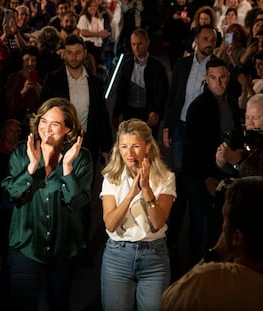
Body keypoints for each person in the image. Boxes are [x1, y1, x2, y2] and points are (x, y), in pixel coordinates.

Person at [1, 97, 94, 311]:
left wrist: (67, 167)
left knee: (59, 304)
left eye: (55, 124)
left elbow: (78, 201)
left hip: (64, 248)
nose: (47, 129)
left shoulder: (81, 158)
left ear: (68, 129)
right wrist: (32, 168)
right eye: (43, 121)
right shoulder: (21, 152)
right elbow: (11, 194)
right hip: (26, 246)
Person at [100, 118, 176, 311]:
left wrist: (146, 189)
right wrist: (131, 194)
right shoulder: (111, 177)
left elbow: (158, 221)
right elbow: (110, 224)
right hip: (118, 255)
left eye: (135, 146)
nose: (129, 153)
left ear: (148, 147)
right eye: (124, 146)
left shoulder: (166, 178)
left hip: (154, 257)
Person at [162, 24, 217, 281]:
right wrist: (167, 127)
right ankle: (172, 240)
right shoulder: (183, 65)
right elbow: (174, 97)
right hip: (181, 130)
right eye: (205, 39)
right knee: (179, 183)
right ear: (196, 40)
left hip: (201, 136)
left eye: (212, 40)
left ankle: (197, 254)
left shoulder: (216, 67)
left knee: (195, 188)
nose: (209, 43)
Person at [162, 176, 263, 311]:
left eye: (225, 221)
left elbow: (170, 300)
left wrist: (217, 252)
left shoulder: (213, 279)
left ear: (237, 237)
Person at [183, 57, 242, 265]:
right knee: (203, 225)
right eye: (214, 78)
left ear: (228, 77)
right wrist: (206, 177)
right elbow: (192, 151)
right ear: (206, 79)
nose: (219, 82)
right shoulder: (197, 107)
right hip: (200, 175)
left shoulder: (234, 103)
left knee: (223, 226)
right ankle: (199, 271)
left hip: (226, 172)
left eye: (223, 77)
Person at [40, 34, 112, 167]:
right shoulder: (52, 80)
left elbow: (102, 115)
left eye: (78, 53)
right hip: (59, 143)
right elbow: (42, 112)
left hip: (88, 144)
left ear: (85, 53)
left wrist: (106, 147)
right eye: (69, 53)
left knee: (86, 185)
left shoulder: (95, 83)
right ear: (64, 54)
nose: (73, 57)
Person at [111, 28, 169, 140]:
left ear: (147, 43)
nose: (136, 48)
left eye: (140, 44)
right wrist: (116, 113)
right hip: (130, 112)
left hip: (148, 113)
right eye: (133, 44)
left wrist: (156, 110)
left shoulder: (157, 66)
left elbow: (162, 91)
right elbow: (121, 90)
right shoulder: (127, 65)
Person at [216, 93, 263, 177]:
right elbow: (234, 172)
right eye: (247, 118)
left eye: (255, 118)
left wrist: (238, 162)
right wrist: (222, 162)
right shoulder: (243, 138)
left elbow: (257, 176)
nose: (250, 123)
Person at [5, 46, 42, 137]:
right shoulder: (14, 78)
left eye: (33, 60)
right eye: (27, 60)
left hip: (34, 122)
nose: (30, 63)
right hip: (16, 122)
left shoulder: (39, 80)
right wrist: (23, 91)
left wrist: (40, 92)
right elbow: (10, 104)